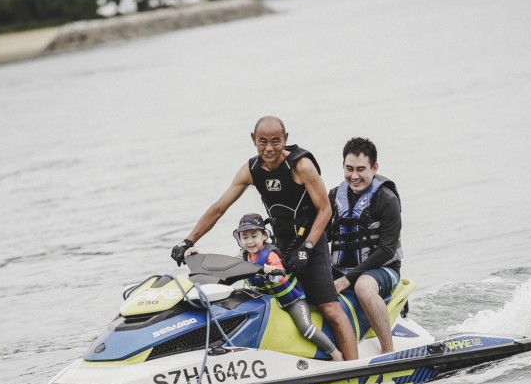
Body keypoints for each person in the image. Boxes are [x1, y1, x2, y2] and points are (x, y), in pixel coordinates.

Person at [171, 115, 358, 360]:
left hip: (311, 242)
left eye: (275, 141)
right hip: (277, 246)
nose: (269, 148)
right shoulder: (251, 169)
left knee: (329, 307)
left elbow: (325, 209)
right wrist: (189, 241)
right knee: (266, 301)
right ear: (253, 140)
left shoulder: (301, 166)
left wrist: (308, 248)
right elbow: (219, 208)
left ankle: (354, 365)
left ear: (286, 139)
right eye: (262, 142)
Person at [185, 213, 344, 361]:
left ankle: (335, 353)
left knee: (306, 328)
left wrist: (271, 269)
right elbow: (223, 266)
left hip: (291, 301)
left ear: (264, 236)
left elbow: (279, 271)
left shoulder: (270, 255)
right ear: (239, 239)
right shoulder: (243, 255)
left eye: (254, 236)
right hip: (268, 302)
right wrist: (196, 255)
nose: (250, 241)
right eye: (245, 237)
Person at [327, 137, 403, 354]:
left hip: (383, 269)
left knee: (363, 286)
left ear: (374, 167)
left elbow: (388, 249)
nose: (354, 176)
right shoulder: (334, 196)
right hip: (341, 270)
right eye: (349, 168)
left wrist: (348, 278)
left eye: (361, 169)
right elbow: (322, 237)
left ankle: (388, 351)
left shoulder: (386, 199)